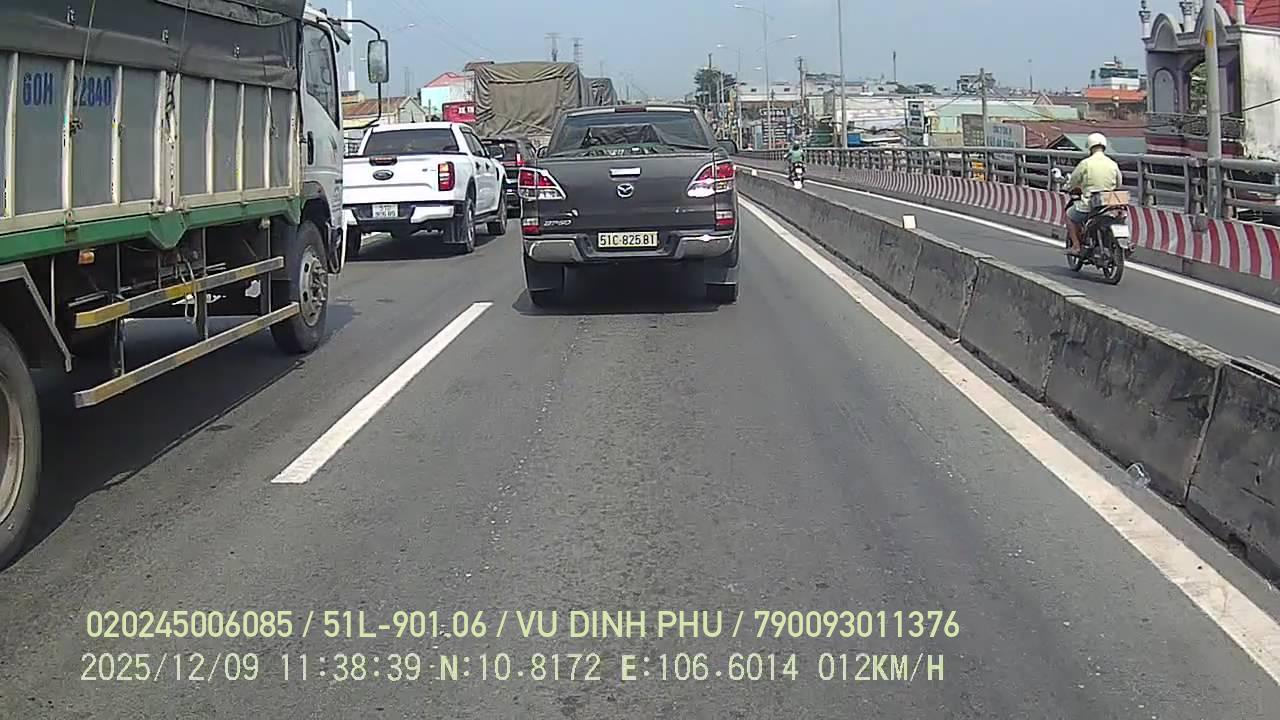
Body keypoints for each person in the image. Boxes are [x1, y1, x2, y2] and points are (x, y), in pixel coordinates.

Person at [1064, 132, 1122, 257]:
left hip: (1090, 203)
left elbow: (1073, 181)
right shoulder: (1112, 164)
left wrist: (1068, 187)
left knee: (1069, 216)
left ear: (1090, 146)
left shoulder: (1086, 163)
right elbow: (1119, 183)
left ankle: (1076, 246)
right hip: (1109, 202)